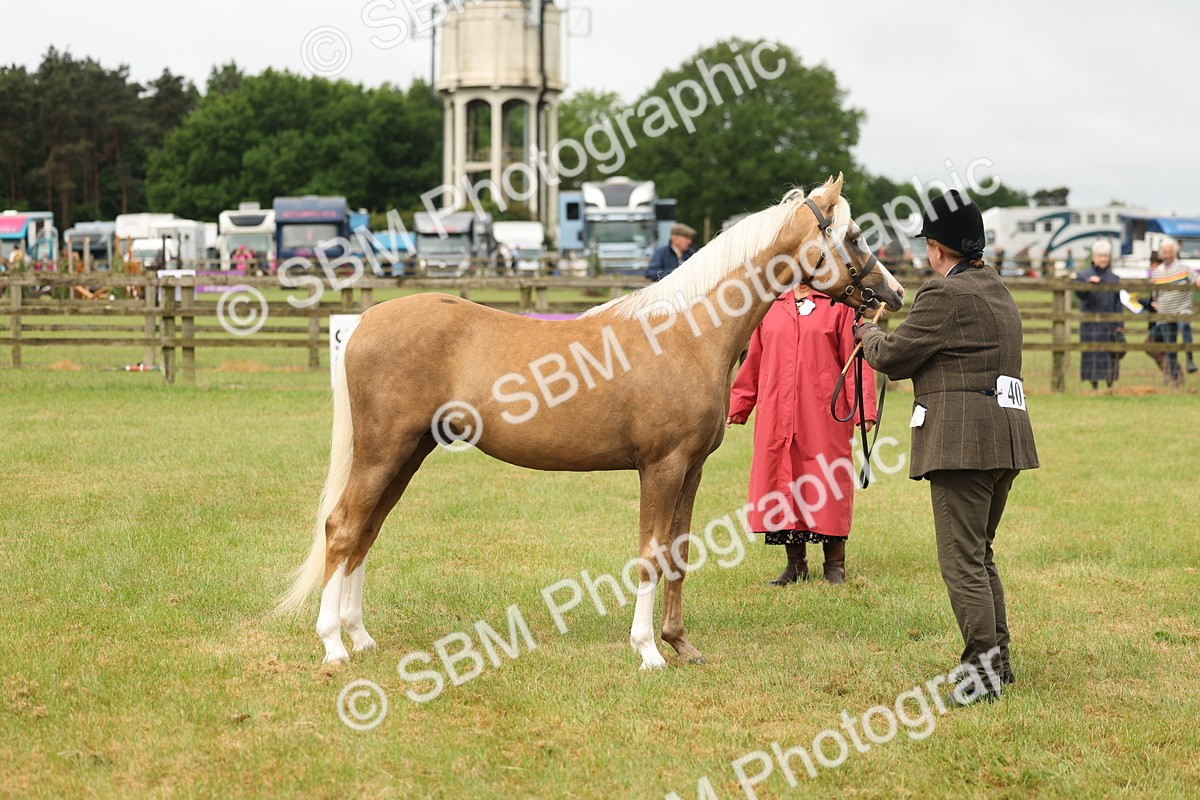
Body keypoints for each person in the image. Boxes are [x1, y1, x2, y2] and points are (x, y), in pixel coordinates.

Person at [854, 190, 1039, 705]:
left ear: (938, 248)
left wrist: (864, 330)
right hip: (1006, 438)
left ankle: (981, 673)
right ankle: (998, 660)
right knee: (979, 555)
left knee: (961, 562)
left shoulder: (943, 294)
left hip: (964, 442)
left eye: (928, 246)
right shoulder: (997, 289)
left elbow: (894, 356)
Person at [726, 283, 876, 585]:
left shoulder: (839, 305)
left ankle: (835, 564)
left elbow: (855, 358)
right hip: (776, 411)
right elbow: (753, 360)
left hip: (823, 412)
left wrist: (864, 409)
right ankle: (795, 563)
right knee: (784, 482)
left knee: (827, 480)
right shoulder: (770, 305)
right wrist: (739, 404)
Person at [1150, 238, 1200, 385]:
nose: (1167, 255)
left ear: (1175, 252)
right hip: (1165, 312)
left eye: (1170, 252)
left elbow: (1195, 279)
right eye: (1164, 252)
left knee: (1185, 326)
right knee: (1170, 345)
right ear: (1161, 254)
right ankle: (1173, 377)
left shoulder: (1184, 268)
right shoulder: (1157, 273)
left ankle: (1189, 358)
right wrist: (1155, 303)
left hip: (1182, 308)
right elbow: (1154, 293)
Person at [1074, 240, 1123, 389]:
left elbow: (1117, 303)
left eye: (1106, 256)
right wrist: (1088, 285)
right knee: (1092, 353)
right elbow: (1079, 294)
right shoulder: (1083, 275)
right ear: (1094, 257)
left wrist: (1119, 325)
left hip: (1109, 323)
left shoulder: (1114, 278)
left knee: (1109, 354)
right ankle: (1093, 385)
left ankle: (1110, 384)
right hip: (1091, 324)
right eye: (1100, 255)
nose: (1103, 259)